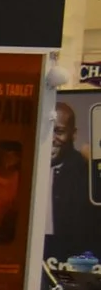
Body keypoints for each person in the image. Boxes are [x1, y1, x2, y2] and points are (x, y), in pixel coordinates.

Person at [49, 97, 101, 263]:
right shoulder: (23, 168)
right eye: (47, 131)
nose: (51, 138)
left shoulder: (86, 172)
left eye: (58, 131)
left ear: (74, 134)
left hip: (77, 265)